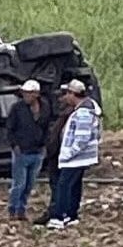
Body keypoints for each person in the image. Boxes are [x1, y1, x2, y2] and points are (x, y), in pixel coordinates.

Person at [46, 79, 102, 230]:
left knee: (64, 185)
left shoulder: (83, 112)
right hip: (79, 157)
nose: (65, 97)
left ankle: (59, 216)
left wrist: (67, 154)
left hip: (75, 158)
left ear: (73, 94)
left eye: (67, 93)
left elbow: (81, 138)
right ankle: (71, 214)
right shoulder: (83, 110)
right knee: (75, 185)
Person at [6, 80, 50, 220]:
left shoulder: (45, 107)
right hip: (22, 151)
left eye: (29, 93)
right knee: (19, 184)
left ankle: (21, 209)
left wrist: (44, 145)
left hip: (37, 151)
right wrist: (15, 146)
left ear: (36, 94)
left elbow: (46, 127)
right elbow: (10, 129)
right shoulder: (17, 108)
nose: (26, 96)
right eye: (24, 93)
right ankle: (13, 209)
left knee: (29, 184)